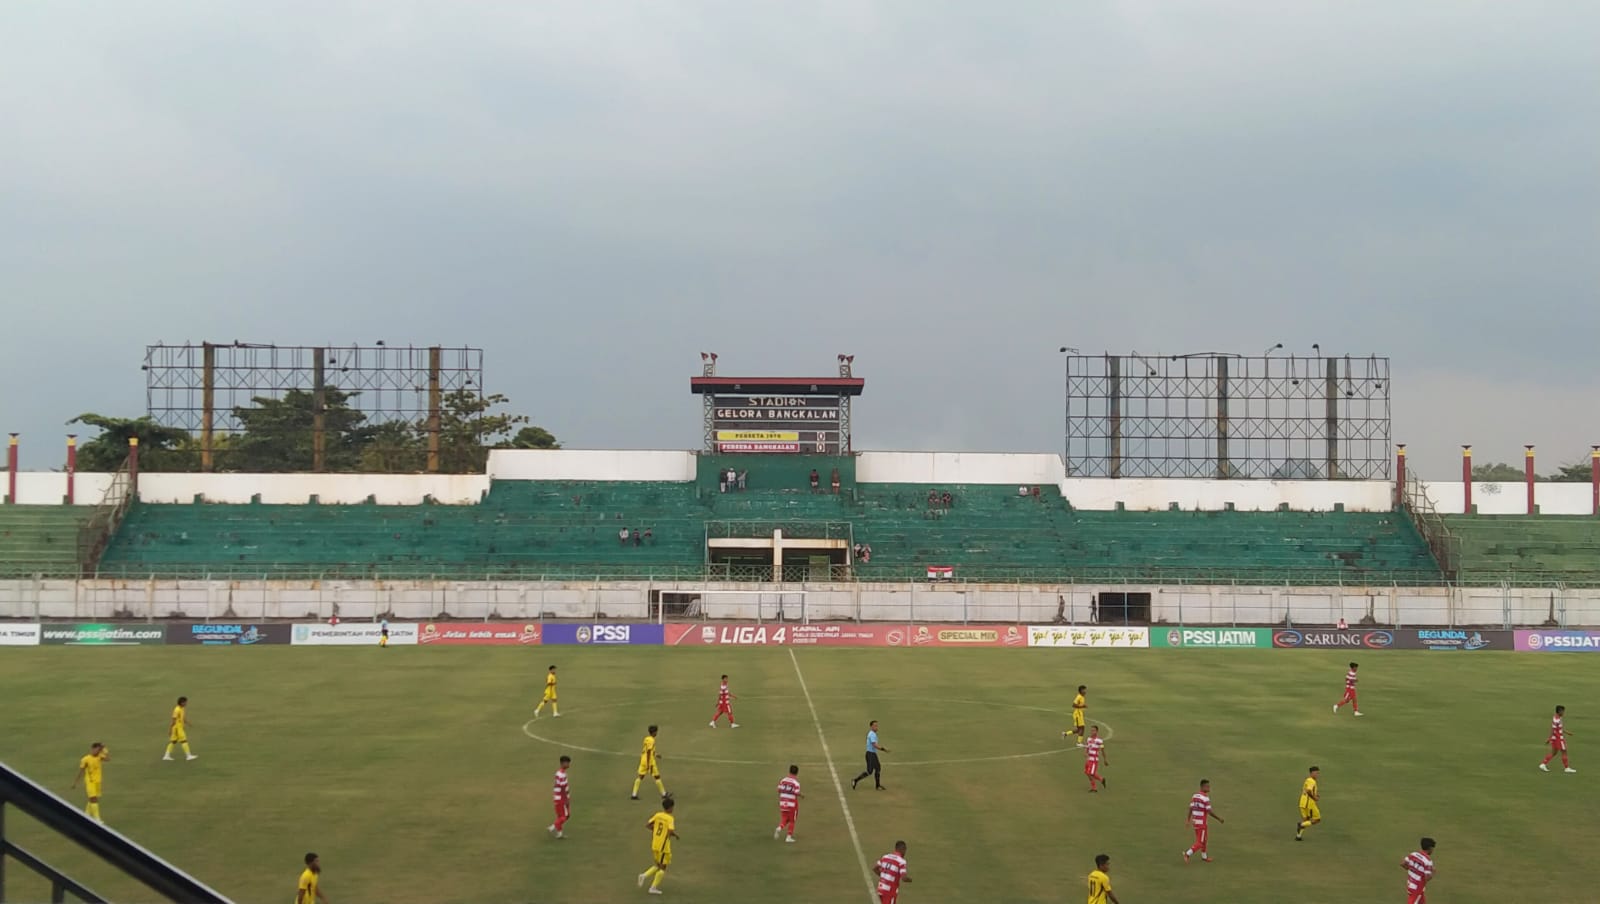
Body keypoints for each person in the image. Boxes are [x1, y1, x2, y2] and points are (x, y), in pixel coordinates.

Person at [637, 796, 677, 895]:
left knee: (657, 865)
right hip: (663, 846)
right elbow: (670, 831)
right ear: (670, 808)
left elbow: (648, 825)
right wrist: (673, 835)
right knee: (663, 867)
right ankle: (653, 887)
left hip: (655, 843)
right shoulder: (670, 818)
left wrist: (656, 830)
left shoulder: (658, 815)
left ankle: (643, 876)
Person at [1184, 779, 1223, 863]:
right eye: (1207, 786)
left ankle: (1204, 857)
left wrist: (1188, 820)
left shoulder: (1195, 796)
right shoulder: (1205, 798)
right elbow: (1209, 812)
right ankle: (1187, 854)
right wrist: (1219, 818)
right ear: (1202, 787)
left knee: (1204, 839)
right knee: (1200, 842)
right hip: (1202, 823)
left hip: (1195, 821)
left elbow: (1191, 808)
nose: (1209, 788)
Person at [70, 742, 109, 822]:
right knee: (93, 799)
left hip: (98, 781)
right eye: (97, 749)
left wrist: (104, 750)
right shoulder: (85, 759)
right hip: (90, 782)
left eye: (99, 750)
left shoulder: (100, 757)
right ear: (92, 749)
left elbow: (108, 759)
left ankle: (86, 814)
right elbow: (81, 771)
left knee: (93, 799)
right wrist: (75, 783)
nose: (98, 751)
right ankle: (97, 818)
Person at [632, 725, 666, 800]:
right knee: (657, 777)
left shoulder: (646, 739)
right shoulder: (652, 740)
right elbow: (648, 751)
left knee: (640, 776)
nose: (657, 733)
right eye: (656, 731)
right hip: (649, 761)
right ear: (654, 732)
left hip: (643, 759)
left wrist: (656, 755)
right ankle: (664, 794)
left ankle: (634, 794)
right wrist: (648, 763)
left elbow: (647, 750)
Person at [852, 720, 889, 790]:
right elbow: (874, 745)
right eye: (875, 726)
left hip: (872, 754)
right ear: (871, 727)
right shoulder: (872, 734)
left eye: (877, 726)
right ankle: (855, 780)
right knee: (870, 771)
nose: (876, 727)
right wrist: (883, 749)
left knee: (878, 768)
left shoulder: (871, 734)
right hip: (870, 754)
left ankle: (877, 786)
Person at [1539, 704, 1576, 773]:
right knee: (1564, 752)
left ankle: (1543, 764)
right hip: (1558, 739)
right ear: (1559, 711)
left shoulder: (1557, 717)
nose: (1564, 713)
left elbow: (1559, 728)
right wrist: (1549, 738)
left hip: (1556, 738)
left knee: (1554, 753)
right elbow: (1553, 730)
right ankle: (1567, 768)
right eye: (1563, 711)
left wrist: (1567, 732)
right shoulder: (1557, 720)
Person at [1402, 837, 1436, 903]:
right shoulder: (1427, 860)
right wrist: (1433, 872)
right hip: (1417, 889)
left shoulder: (1413, 854)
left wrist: (1413, 869)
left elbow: (1403, 863)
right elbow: (1427, 878)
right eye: (1432, 848)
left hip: (1410, 884)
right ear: (1430, 848)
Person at [164, 696, 197, 761]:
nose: (186, 703)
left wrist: (188, 723)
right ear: (182, 703)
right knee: (184, 741)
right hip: (177, 728)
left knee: (173, 741)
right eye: (185, 702)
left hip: (179, 728)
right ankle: (188, 756)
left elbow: (182, 718)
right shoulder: (177, 709)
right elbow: (173, 720)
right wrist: (170, 730)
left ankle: (166, 756)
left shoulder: (182, 708)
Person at [775, 765, 802, 842]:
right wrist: (801, 795)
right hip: (792, 804)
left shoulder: (783, 780)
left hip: (783, 802)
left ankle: (779, 828)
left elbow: (779, 790)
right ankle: (788, 837)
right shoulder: (796, 783)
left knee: (785, 818)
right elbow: (796, 793)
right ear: (797, 773)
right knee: (792, 820)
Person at [1295, 766, 1321, 840]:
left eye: (1318, 773)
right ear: (1312, 773)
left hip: (1302, 803)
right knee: (1317, 819)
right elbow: (1309, 791)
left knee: (1306, 819)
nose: (1317, 775)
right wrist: (1314, 798)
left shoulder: (1308, 780)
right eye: (1316, 773)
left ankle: (1298, 836)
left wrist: (1315, 795)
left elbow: (1308, 791)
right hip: (1309, 804)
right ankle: (1301, 825)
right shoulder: (1311, 781)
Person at [549, 755, 572, 839]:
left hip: (558, 797)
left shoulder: (560, 773)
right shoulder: (561, 774)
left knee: (560, 816)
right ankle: (553, 827)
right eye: (568, 763)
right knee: (565, 816)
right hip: (561, 798)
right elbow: (562, 787)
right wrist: (566, 799)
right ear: (563, 763)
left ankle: (559, 834)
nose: (569, 764)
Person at [1084, 724, 1108, 791]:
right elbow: (1087, 747)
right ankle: (1100, 780)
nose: (1092, 732)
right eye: (1091, 730)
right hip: (1089, 759)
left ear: (1097, 731)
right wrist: (1085, 752)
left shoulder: (1099, 741)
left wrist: (1105, 760)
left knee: (1091, 773)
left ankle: (1095, 786)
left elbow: (1103, 750)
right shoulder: (1088, 739)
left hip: (1094, 760)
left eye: (1093, 730)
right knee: (1086, 772)